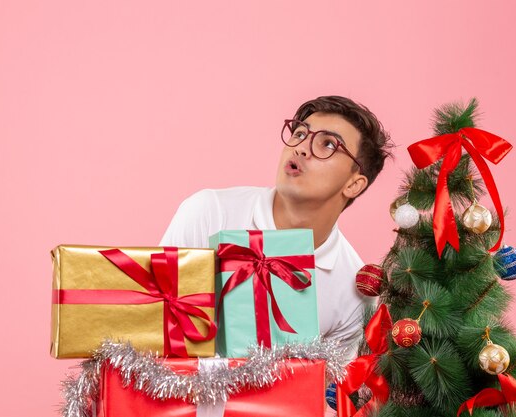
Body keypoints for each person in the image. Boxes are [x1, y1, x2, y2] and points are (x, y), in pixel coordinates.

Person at [160, 95, 393, 363]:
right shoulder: (209, 212)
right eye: (300, 133)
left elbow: (322, 393)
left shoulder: (353, 290)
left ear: (354, 184)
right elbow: (153, 332)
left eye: (328, 144)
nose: (301, 148)